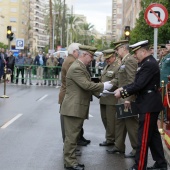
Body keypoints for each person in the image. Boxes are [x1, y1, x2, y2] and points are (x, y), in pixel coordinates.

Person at [114, 40, 167, 170]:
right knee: (154, 137)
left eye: (136, 52)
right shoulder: (145, 63)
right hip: (147, 103)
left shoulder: (148, 64)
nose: (135, 55)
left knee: (143, 138)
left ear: (143, 51)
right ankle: (161, 164)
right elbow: (137, 82)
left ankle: (139, 166)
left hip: (148, 104)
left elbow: (139, 84)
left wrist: (123, 92)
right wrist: (123, 89)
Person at [60, 45, 113, 170]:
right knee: (71, 138)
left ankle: (71, 161)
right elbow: (86, 85)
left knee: (73, 136)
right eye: (90, 57)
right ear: (84, 55)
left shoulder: (81, 66)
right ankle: (70, 163)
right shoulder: (77, 68)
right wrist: (103, 86)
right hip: (73, 108)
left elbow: (86, 87)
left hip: (76, 107)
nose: (92, 60)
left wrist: (100, 93)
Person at [107, 40, 138, 159]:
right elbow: (122, 80)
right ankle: (118, 146)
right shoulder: (123, 60)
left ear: (124, 49)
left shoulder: (129, 60)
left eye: (118, 49)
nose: (116, 51)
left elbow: (131, 81)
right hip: (121, 97)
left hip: (126, 98)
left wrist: (129, 98)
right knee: (119, 123)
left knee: (131, 124)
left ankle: (136, 149)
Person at [58, 43, 91, 148]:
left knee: (74, 123)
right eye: (79, 51)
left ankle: (75, 141)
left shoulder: (71, 60)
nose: (80, 53)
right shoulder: (71, 62)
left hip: (70, 94)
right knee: (69, 125)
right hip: (69, 95)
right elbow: (77, 79)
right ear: (74, 52)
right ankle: (69, 146)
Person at [99, 49, 120, 146]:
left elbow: (117, 79)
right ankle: (109, 137)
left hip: (111, 97)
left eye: (108, 58)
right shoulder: (107, 65)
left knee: (111, 120)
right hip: (104, 96)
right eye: (106, 58)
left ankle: (111, 139)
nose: (107, 60)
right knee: (104, 118)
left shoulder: (117, 66)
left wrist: (109, 85)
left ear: (113, 56)